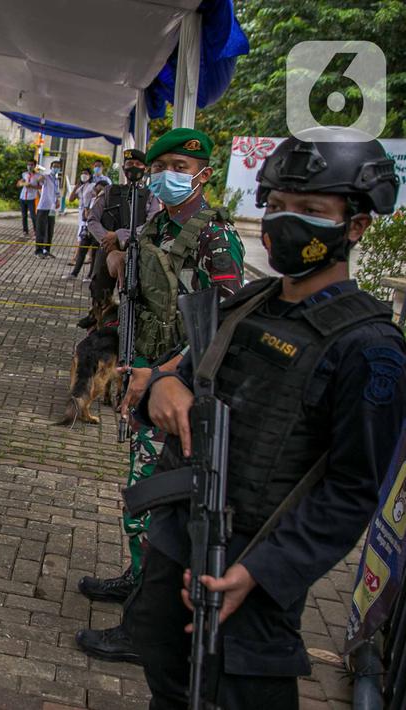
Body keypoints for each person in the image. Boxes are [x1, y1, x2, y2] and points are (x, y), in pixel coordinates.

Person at [128, 127, 404, 708]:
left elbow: (353, 488)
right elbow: (180, 371)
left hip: (252, 562)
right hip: (183, 531)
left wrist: (264, 572)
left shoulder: (369, 346)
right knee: (163, 662)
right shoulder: (249, 303)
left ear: (355, 226)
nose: (285, 221)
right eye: (276, 206)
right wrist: (164, 387)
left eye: (310, 210)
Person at [76, 128, 245, 664]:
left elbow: (223, 324)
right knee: (145, 501)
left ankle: (143, 628)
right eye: (159, 166)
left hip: (181, 389)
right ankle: (138, 579)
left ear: (203, 173)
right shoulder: (155, 225)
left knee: (149, 503)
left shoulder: (215, 237)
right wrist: (118, 263)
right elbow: (141, 289)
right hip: (148, 377)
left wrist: (165, 373)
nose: (166, 175)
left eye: (178, 164)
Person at [81, 149, 154, 328]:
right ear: (123, 168)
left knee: (131, 298)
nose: (134, 168)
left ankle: (125, 334)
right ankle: (96, 334)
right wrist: (107, 239)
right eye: (130, 165)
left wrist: (119, 235)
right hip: (106, 251)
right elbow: (92, 219)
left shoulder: (151, 195)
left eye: (138, 165)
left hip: (136, 253)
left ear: (145, 168)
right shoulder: (109, 191)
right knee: (99, 294)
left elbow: (151, 225)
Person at [65, 168, 98, 279]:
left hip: (91, 216)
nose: (84, 175)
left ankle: (88, 272)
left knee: (87, 243)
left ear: (90, 175)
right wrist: (76, 187)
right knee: (82, 240)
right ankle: (75, 270)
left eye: (86, 173)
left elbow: (96, 198)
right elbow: (71, 199)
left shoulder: (93, 186)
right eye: (82, 173)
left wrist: (89, 210)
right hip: (82, 215)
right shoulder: (81, 187)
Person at [33, 160, 62, 257]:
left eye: (58, 167)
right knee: (41, 229)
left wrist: (58, 200)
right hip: (43, 207)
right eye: (54, 166)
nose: (56, 168)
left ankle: (46, 250)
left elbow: (57, 192)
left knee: (50, 229)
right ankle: (38, 251)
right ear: (51, 167)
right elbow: (39, 182)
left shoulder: (57, 180)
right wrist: (39, 177)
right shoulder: (46, 177)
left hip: (52, 208)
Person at [17, 159, 39, 235]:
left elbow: (40, 187)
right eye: (28, 164)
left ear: (34, 166)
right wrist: (21, 183)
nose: (29, 166)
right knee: (24, 216)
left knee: (33, 215)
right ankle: (25, 230)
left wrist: (32, 186)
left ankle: (36, 230)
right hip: (23, 197)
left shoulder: (38, 175)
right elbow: (19, 183)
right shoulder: (24, 174)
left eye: (31, 165)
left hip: (31, 198)